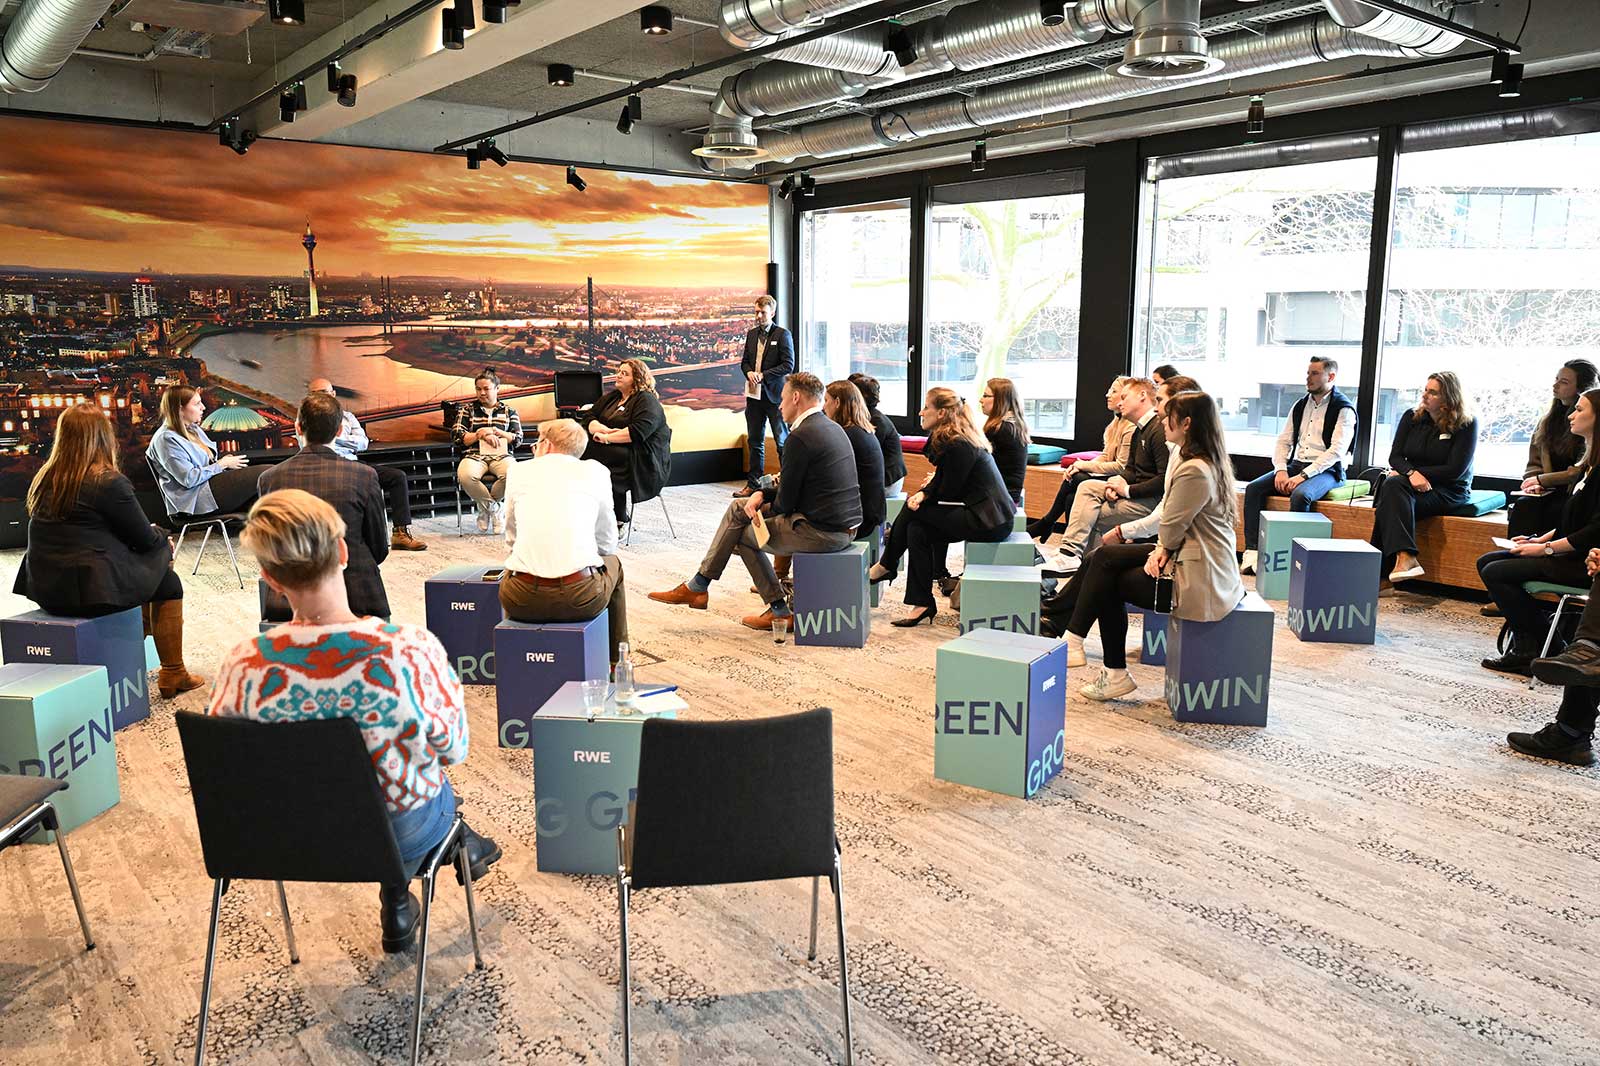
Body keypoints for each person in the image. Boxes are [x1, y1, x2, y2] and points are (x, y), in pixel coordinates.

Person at [208, 490, 501, 954]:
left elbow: (226, 771)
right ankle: (443, 856)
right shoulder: (409, 650)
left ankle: (416, 882)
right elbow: (453, 749)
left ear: (269, 577)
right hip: (399, 834)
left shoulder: (242, 665)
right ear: (343, 552)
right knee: (426, 782)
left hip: (280, 840)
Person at [1059, 392, 1244, 702]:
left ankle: (1103, 664)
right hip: (1188, 553)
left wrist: (1161, 550)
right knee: (1102, 557)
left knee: (1108, 580)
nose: (1161, 419)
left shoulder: (1195, 469)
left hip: (1199, 574)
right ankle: (1076, 642)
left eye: (1168, 415)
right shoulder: (1198, 460)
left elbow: (1171, 524)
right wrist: (1162, 548)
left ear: (1186, 423)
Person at [14, 403, 203, 699]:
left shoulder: (46, 478)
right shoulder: (107, 481)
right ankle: (172, 670)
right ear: (104, 437)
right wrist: (162, 535)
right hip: (89, 594)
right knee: (167, 577)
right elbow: (144, 539)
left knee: (149, 564)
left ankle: (143, 647)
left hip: (46, 589)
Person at [652, 373, 860, 630]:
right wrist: (760, 495)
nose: (780, 405)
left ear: (796, 397)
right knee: (738, 508)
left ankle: (776, 609)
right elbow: (798, 488)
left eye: (783, 398)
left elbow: (785, 504)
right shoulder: (830, 427)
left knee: (741, 536)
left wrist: (760, 506)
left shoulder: (801, 437)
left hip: (822, 533)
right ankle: (698, 585)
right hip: (843, 526)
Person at [1039, 376, 1201, 638]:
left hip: (1185, 559)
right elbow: (1147, 488)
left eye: (1161, 401)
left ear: (1185, 418)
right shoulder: (1173, 449)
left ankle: (1064, 626)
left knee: (1102, 564)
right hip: (1171, 546)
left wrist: (1125, 527)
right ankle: (1061, 618)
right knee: (1097, 555)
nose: (1158, 409)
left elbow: (1167, 518)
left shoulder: (1192, 466)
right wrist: (1118, 487)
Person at [1476, 388, 1600, 675]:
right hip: (1568, 553)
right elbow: (1574, 521)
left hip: (1584, 562)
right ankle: (1532, 645)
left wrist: (1545, 550)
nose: (1571, 415)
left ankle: (1545, 645)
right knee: (1487, 562)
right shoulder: (1587, 466)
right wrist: (1538, 539)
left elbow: (1594, 531)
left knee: (1496, 572)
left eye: (1580, 410)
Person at [868, 388, 1015, 627]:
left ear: (942, 413)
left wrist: (924, 495)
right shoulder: (953, 438)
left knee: (914, 511)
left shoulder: (958, 443)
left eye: (926, 407)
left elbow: (948, 491)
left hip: (990, 520)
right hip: (982, 513)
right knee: (917, 530)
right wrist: (925, 492)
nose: (920, 412)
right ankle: (921, 603)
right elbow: (944, 481)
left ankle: (887, 564)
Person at [500, 419, 629, 666]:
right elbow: (607, 541)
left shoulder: (518, 471)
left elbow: (511, 533)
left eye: (537, 443)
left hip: (521, 599)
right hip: (581, 598)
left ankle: (517, 661)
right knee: (615, 563)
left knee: (511, 565)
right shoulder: (596, 472)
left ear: (547, 444)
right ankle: (616, 661)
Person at [258, 391, 391, 620]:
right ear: (339, 431)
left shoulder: (269, 479)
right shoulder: (364, 476)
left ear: (298, 428)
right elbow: (379, 548)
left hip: (289, 600)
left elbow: (269, 549)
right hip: (358, 595)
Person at [1239, 357, 1356, 575]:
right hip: (1297, 465)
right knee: (1253, 489)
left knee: (1301, 495)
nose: (1308, 378)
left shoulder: (1344, 409)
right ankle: (1252, 551)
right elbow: (1284, 441)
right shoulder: (1300, 405)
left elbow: (1336, 451)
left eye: (1315, 373)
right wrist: (1281, 470)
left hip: (1328, 470)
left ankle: (1296, 560)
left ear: (1330, 376)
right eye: (1308, 373)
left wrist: (1303, 476)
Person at [1362, 371, 1478, 583]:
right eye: (1425, 390)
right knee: (1393, 491)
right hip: (1409, 485)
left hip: (1448, 490)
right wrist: (1411, 474)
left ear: (1448, 398)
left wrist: (1416, 475)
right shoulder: (1411, 417)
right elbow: (1395, 457)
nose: (1425, 395)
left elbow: (1455, 469)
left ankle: (1381, 579)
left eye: (1433, 392)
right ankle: (1404, 558)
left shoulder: (1466, 424)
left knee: (1390, 497)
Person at [1058, 377, 1169, 562]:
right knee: (1086, 486)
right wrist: (1115, 484)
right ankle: (1070, 553)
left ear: (1142, 396)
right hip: (1137, 493)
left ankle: (1085, 563)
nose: (1119, 402)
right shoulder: (1140, 430)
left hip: (1151, 500)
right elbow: (1130, 469)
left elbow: (1163, 480)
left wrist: (1126, 490)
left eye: (1124, 397)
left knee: (1090, 514)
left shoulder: (1158, 430)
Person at [309, 377, 426, 552]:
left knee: (397, 477)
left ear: (333, 394)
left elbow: (362, 443)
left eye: (324, 393)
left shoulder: (348, 417)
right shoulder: (305, 420)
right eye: (315, 394)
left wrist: (333, 437)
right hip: (322, 465)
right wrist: (345, 439)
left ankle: (400, 534)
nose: (321, 397)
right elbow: (307, 445)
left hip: (352, 463)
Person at [1028, 377, 1134, 541]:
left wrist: (1083, 466)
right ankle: (1070, 543)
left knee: (1077, 477)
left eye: (1113, 391)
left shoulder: (1131, 428)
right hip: (1111, 476)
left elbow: (1121, 467)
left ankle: (1047, 523)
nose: (1107, 395)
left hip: (1122, 481)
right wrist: (1080, 465)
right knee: (1071, 497)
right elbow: (1105, 456)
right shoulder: (1115, 424)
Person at [1510, 359, 1599, 539]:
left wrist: (1542, 480)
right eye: (1556, 379)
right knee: (1524, 504)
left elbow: (1581, 471)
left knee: (1558, 510)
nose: (1555, 385)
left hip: (1572, 491)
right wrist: (1534, 482)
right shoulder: (1547, 420)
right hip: (1547, 489)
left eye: (1564, 382)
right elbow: (1534, 461)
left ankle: (1538, 551)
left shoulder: (1588, 425)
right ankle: (1517, 548)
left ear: (1582, 388)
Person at [580, 358, 671, 527]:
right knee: (586, 450)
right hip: (613, 447)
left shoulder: (646, 400)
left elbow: (638, 432)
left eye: (625, 373)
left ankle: (619, 518)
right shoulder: (614, 397)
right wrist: (602, 429)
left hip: (642, 456)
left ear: (637, 379)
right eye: (619, 372)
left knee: (601, 458)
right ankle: (596, 510)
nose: (619, 376)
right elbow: (588, 416)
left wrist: (607, 438)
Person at [146, 385, 260, 516]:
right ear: (180, 409)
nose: (203, 407)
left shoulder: (193, 429)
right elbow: (189, 479)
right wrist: (222, 464)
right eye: (197, 404)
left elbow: (206, 464)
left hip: (210, 484)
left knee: (267, 482)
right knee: (265, 475)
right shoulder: (165, 439)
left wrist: (222, 463)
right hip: (195, 499)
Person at [735, 295, 795, 498]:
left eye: (763, 312)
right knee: (755, 442)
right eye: (756, 312)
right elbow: (744, 362)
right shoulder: (752, 334)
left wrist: (764, 375)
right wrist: (749, 372)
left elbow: (788, 364)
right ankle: (753, 484)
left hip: (775, 397)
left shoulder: (783, 334)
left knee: (781, 442)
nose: (759, 316)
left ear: (772, 313)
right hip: (754, 396)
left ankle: (787, 486)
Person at [452, 367, 522, 534]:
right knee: (465, 475)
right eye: (478, 389)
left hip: (502, 456)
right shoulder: (466, 410)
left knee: (514, 474)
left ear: (497, 388)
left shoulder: (509, 411)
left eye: (486, 389)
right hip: (474, 456)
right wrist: (479, 434)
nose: (482, 393)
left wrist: (500, 432)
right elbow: (457, 436)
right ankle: (494, 508)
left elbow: (518, 439)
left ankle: (484, 508)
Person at [827, 380, 886, 536]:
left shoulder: (847, 435)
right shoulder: (861, 430)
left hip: (859, 520)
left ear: (837, 402)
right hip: (872, 512)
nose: (823, 407)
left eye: (826, 400)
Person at [850, 372, 906, 496]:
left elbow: (866, 457)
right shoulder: (867, 417)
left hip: (888, 482)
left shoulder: (876, 421)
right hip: (880, 476)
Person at [981, 377, 1030, 505]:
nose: (981, 400)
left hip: (998, 498)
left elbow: (979, 466)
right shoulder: (1014, 425)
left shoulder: (1000, 429)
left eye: (985, 396)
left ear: (1000, 400)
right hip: (1008, 495)